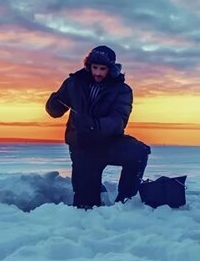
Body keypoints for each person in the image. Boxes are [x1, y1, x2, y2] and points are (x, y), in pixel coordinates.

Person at [45, 45, 151, 209]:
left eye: (103, 69)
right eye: (95, 68)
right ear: (89, 66)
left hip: (109, 143)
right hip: (82, 147)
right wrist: (52, 105)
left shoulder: (122, 90)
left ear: (111, 68)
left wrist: (93, 126)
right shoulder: (74, 83)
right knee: (85, 206)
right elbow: (55, 111)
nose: (98, 73)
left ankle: (125, 204)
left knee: (139, 152)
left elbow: (118, 121)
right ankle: (96, 191)